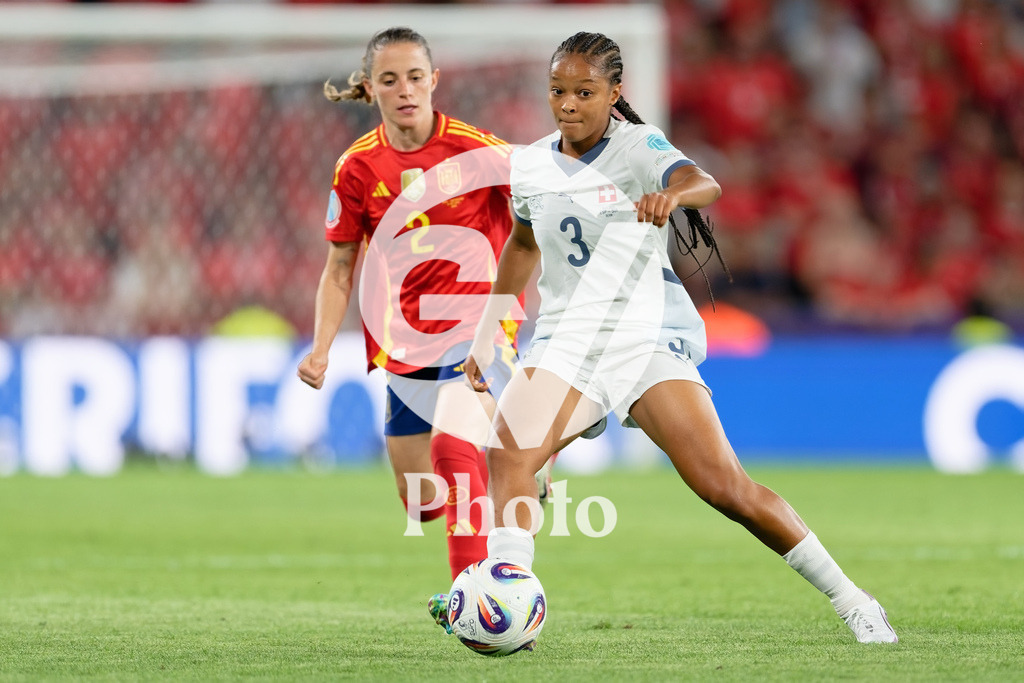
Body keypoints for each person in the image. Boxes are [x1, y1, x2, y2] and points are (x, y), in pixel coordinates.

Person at [433, 31, 898, 645]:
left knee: (725, 488)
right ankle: (508, 603)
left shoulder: (637, 147)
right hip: (567, 340)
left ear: (614, 93)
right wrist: (489, 328)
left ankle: (855, 601)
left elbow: (705, 181)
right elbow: (522, 243)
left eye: (584, 92)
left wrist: (671, 194)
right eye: (557, 91)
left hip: (643, 337)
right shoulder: (531, 165)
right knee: (507, 453)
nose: (567, 104)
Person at [297, 27, 550, 585]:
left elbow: (542, 216)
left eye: (415, 77)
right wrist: (319, 349)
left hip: (479, 330)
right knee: (422, 501)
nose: (405, 89)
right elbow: (340, 267)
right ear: (371, 88)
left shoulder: (478, 150)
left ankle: (480, 599)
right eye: (390, 80)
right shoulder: (357, 168)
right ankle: (522, 456)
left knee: (454, 446)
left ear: (434, 81)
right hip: (406, 343)